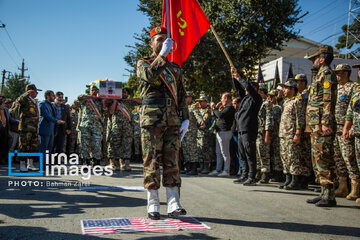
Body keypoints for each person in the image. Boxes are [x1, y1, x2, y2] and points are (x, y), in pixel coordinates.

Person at [136, 26, 188, 220]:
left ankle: (174, 202)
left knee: (172, 161)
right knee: (152, 161)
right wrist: (163, 55)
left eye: (166, 39)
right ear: (152, 43)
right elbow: (149, 76)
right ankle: (153, 203)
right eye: (159, 39)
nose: (163, 42)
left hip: (173, 121)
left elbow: (181, 96)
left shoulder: (175, 69)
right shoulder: (144, 63)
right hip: (152, 121)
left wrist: (186, 118)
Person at [305, 45, 337, 207]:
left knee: (324, 157)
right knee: (317, 157)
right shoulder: (319, 76)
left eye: (315, 59)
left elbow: (328, 101)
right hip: (315, 125)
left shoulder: (327, 75)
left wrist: (325, 122)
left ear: (322, 59)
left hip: (321, 125)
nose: (313, 62)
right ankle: (323, 190)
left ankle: (329, 194)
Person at [333, 64, 360, 200]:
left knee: (349, 158)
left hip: (348, 128)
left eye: (339, 73)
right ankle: (343, 186)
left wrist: (350, 127)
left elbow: (354, 110)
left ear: (345, 73)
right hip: (336, 128)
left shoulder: (353, 87)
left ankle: (356, 187)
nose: (337, 75)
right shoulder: (335, 88)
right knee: (339, 158)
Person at [231, 67, 262, 186]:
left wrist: (240, 78)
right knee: (242, 154)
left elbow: (248, 87)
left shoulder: (256, 99)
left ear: (254, 89)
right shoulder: (245, 99)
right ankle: (244, 174)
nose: (246, 89)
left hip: (249, 130)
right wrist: (234, 77)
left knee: (250, 154)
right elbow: (239, 89)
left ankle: (251, 176)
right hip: (240, 130)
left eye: (249, 88)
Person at [278, 80, 307, 190]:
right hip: (283, 133)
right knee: (285, 157)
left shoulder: (297, 101)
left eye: (285, 88)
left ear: (292, 89)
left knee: (293, 157)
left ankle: (295, 181)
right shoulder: (286, 101)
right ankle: (288, 179)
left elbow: (300, 118)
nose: (283, 90)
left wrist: (298, 133)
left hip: (292, 133)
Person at [108, 88, 141, 171]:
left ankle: (127, 164)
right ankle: (117, 164)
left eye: (126, 93)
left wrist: (132, 98)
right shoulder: (115, 102)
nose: (124, 94)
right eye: (123, 92)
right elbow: (111, 112)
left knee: (127, 145)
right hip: (116, 126)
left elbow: (142, 101)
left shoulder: (130, 102)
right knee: (116, 145)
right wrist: (115, 101)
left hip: (127, 127)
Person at [10, 84, 42, 172]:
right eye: (35, 91)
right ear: (30, 91)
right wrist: (26, 93)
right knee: (23, 146)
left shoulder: (34, 102)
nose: (37, 93)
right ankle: (22, 165)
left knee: (33, 146)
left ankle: (30, 164)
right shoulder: (25, 100)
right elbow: (19, 100)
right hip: (25, 128)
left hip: (34, 128)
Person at [77, 84, 107, 166]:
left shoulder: (99, 101)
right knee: (85, 144)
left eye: (96, 90)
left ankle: (96, 160)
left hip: (96, 125)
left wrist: (103, 102)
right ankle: (85, 161)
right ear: (89, 91)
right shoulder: (86, 99)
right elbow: (79, 97)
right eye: (92, 90)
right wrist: (89, 96)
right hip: (85, 125)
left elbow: (104, 111)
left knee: (97, 144)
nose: (94, 92)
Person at [209, 92, 235, 177]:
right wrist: (216, 108)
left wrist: (213, 107)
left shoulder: (230, 108)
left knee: (225, 152)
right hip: (219, 132)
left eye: (222, 98)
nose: (221, 100)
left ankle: (226, 170)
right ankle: (218, 169)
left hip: (225, 132)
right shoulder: (224, 107)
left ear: (227, 99)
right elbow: (216, 115)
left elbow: (220, 115)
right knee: (218, 152)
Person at [293, 74, 313, 189]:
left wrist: (305, 129)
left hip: (305, 129)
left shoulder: (307, 94)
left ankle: (305, 179)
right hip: (299, 128)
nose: (297, 84)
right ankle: (301, 178)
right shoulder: (298, 95)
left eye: (300, 82)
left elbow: (306, 113)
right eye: (297, 82)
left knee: (305, 154)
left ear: (304, 83)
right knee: (299, 154)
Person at [343, 89, 360, 204]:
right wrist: (347, 127)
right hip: (357, 132)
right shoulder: (357, 93)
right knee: (358, 162)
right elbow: (350, 113)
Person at [39, 90, 65, 157]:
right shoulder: (42, 104)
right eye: (53, 95)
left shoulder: (51, 105)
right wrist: (57, 121)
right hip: (45, 129)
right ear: (48, 96)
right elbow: (46, 115)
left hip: (51, 130)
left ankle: (48, 164)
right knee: (44, 148)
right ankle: (43, 165)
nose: (54, 97)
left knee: (49, 149)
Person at [256, 85, 273, 183]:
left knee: (264, 153)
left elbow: (269, 120)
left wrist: (267, 133)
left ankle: (265, 173)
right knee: (257, 153)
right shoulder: (259, 103)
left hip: (263, 132)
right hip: (257, 131)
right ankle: (258, 171)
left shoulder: (267, 103)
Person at [194, 94, 212, 174]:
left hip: (204, 133)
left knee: (204, 150)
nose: (200, 103)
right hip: (198, 133)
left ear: (205, 102)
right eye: (199, 101)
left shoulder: (207, 111)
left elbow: (204, 122)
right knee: (199, 151)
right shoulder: (198, 110)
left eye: (201, 101)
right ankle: (201, 166)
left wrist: (198, 123)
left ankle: (206, 167)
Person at [182, 91, 199, 175]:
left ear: (190, 98)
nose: (186, 98)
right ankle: (188, 167)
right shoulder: (183, 107)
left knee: (192, 150)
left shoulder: (193, 107)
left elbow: (197, 115)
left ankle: (194, 168)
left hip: (191, 131)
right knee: (186, 150)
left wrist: (201, 122)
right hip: (184, 131)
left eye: (187, 97)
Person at [267, 90, 283, 182]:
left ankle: (278, 174)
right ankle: (274, 172)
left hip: (276, 133)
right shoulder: (270, 107)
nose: (270, 98)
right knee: (272, 154)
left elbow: (277, 121)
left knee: (277, 155)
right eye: (269, 96)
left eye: (272, 96)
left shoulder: (278, 107)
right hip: (271, 133)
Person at [0, 95, 18, 164]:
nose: (3, 102)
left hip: (5, 129)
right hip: (3, 128)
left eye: (4, 101)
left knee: (4, 145)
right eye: (2, 101)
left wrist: (8, 130)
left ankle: (3, 159)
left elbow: (8, 120)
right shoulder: (10, 111)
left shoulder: (6, 110)